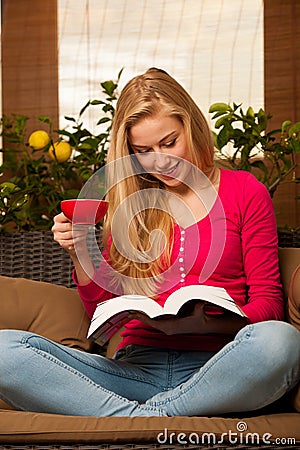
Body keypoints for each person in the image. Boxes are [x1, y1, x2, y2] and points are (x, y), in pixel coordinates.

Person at [0, 68, 299, 417]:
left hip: (220, 369)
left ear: (193, 127)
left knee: (282, 341)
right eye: (143, 150)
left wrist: (207, 325)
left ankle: (130, 418)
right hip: (134, 372)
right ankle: (154, 415)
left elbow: (269, 306)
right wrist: (80, 251)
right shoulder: (131, 201)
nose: (160, 161)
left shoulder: (245, 191)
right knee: (4, 348)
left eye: (169, 142)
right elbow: (104, 314)